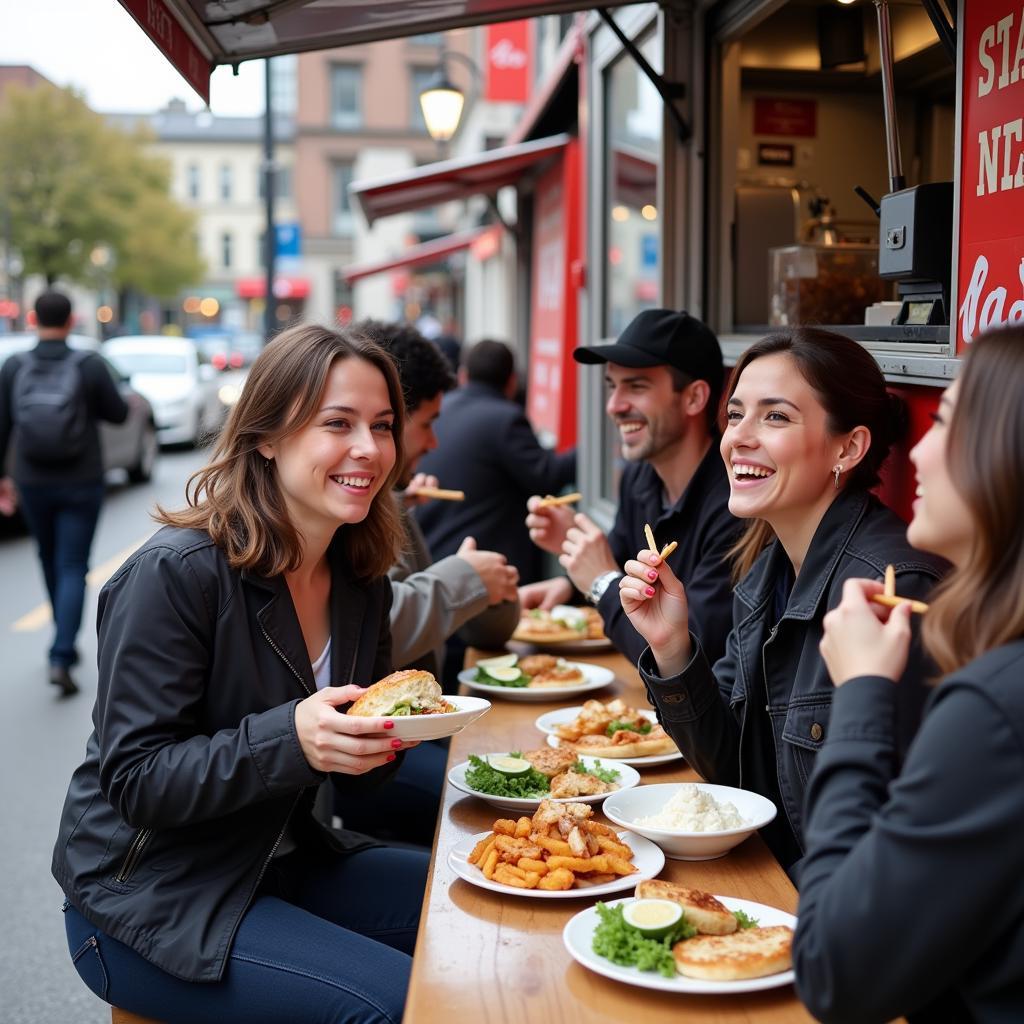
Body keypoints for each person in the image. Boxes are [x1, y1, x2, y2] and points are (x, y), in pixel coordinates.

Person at [52, 324, 428, 1024]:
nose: (369, 450)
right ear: (266, 435)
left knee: (474, 907)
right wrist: (292, 739)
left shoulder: (360, 575)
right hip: (149, 895)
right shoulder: (176, 574)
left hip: (279, 858)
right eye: (337, 424)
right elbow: (135, 780)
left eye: (382, 426)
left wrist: (383, 738)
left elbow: (361, 773)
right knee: (395, 1005)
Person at [619, 328, 947, 872]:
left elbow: (894, 841)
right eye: (736, 414)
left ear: (849, 447)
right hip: (768, 884)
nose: (739, 438)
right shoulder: (766, 567)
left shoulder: (894, 592)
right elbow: (730, 772)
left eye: (776, 417)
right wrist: (673, 647)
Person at [793, 326, 1024, 1023]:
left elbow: (835, 971)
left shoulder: (994, 707)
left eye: (947, 421)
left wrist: (859, 695)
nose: (918, 447)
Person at [521, 308, 740, 665]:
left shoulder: (735, 505)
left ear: (694, 398)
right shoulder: (640, 476)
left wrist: (598, 581)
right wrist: (570, 581)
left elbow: (686, 654)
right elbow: (622, 568)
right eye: (613, 386)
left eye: (636, 386)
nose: (614, 406)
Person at [357, 319, 519, 678]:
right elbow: (371, 632)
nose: (433, 444)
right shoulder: (347, 511)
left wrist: (486, 588)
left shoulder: (385, 501)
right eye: (428, 424)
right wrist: (465, 578)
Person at [0, 290, 129, 696]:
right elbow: (119, 413)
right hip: (81, 478)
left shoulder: (15, 365)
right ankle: (61, 652)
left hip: (31, 479)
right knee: (73, 564)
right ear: (72, 321)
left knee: (48, 558)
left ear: (34, 319)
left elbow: (2, 425)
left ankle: (61, 642)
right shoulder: (88, 365)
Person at [414, 338, 576, 586]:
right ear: (511, 382)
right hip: (483, 574)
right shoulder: (505, 419)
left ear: (463, 375)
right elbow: (548, 475)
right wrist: (594, 450)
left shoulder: (440, 410)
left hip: (435, 561)